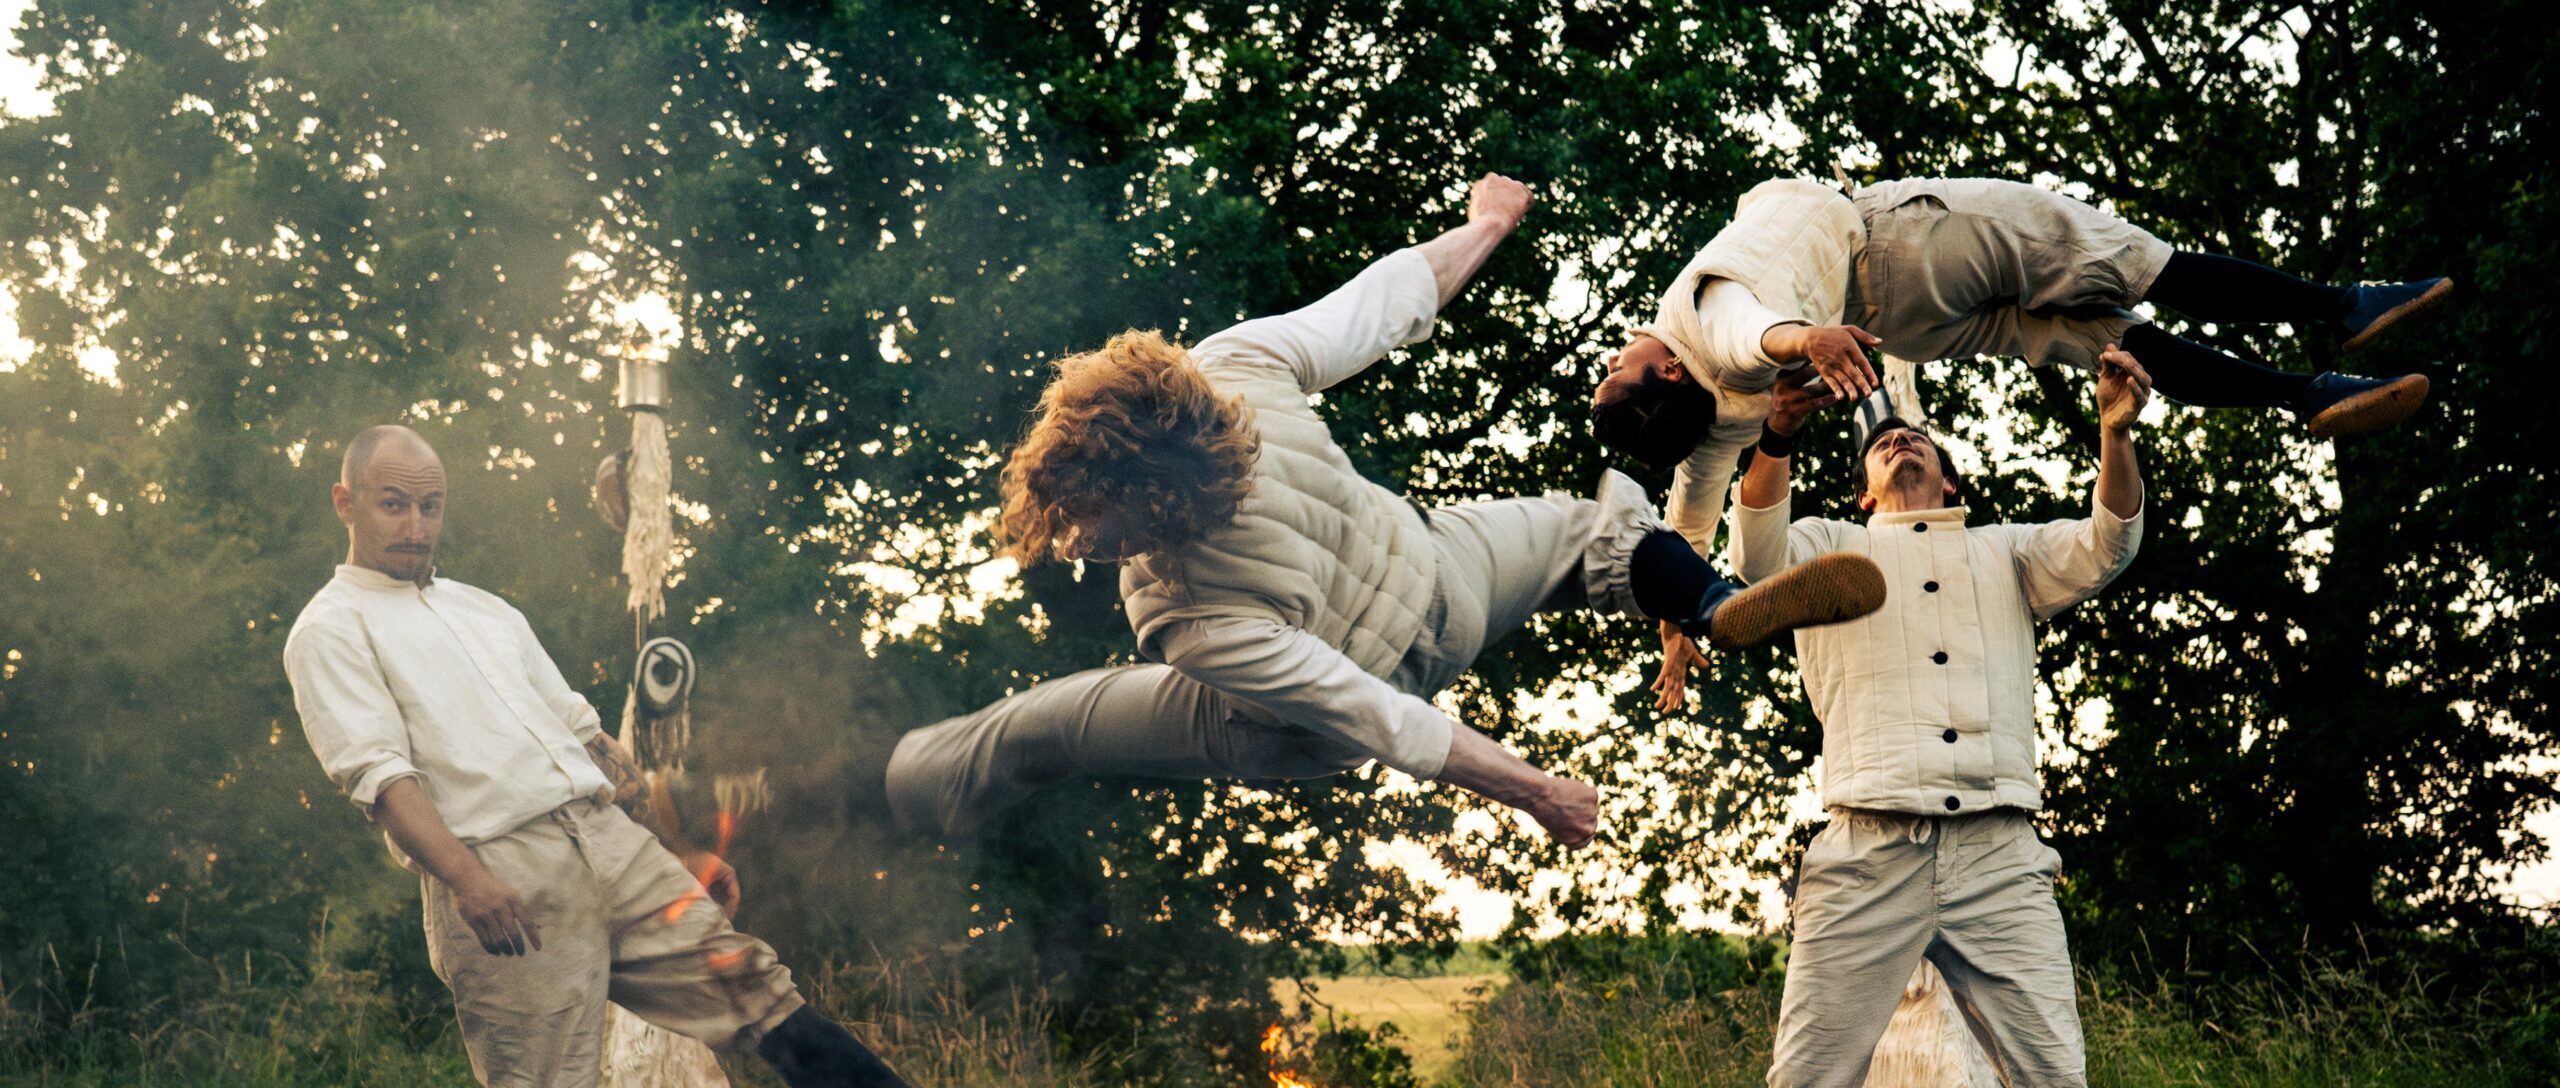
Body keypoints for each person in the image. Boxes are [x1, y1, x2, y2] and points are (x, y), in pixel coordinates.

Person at [884, 175, 1889, 843]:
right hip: (1441, 574)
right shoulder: (1232, 367)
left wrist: (1535, 788)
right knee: (1593, 526)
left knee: (1049, 725)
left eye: (1097, 523)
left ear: (1158, 505)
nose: (1084, 542)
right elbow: (1390, 298)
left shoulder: (1180, 612)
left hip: (1303, 718)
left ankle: (893, 784)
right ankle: (1705, 596)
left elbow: (1372, 715)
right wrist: (1489, 222)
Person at [283, 425, 911, 1088]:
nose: (415, 525)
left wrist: (674, 853)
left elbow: (587, 740)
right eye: (393, 504)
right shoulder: (330, 628)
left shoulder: (488, 611)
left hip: (610, 842)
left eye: (430, 506)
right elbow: (382, 780)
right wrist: (468, 880)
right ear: (345, 502)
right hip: (505, 875)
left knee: (759, 996)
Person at [1590, 176, 2444, 564]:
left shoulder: (1711, 430)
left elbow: (1690, 521)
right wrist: (1804, 340)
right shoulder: (1700, 321)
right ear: (1663, 375)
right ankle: (2341, 306)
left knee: (2112, 344)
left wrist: (1681, 619)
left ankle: (2307, 395)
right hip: (1904, 247)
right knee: (2122, 258)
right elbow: (1748, 329)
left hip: (1910, 331)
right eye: (1615, 370)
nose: (1614, 352)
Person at [1723, 346, 2156, 1088]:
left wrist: (2115, 435)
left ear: (1950, 481)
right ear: (1863, 493)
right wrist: (1778, 434)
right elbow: (1756, 558)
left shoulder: (2006, 551)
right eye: (1882, 446)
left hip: (1999, 854)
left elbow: (2105, 543)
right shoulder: (1831, 549)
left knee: (2057, 1076)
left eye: (1915, 440)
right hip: (1868, 851)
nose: (1899, 440)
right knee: (1805, 1079)